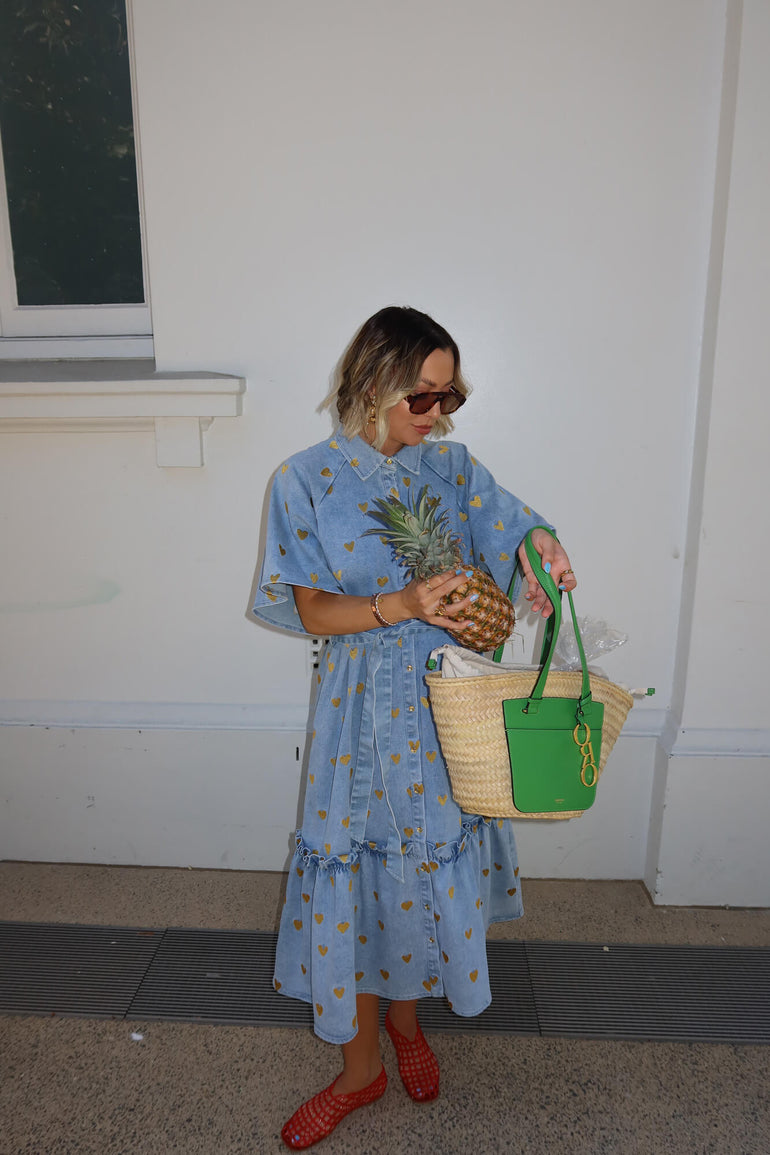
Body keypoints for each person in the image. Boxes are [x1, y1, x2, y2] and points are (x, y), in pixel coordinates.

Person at [252, 306, 576, 1149]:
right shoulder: (304, 480)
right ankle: (359, 1070)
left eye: (450, 395)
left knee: (419, 867)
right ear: (372, 384)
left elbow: (516, 526)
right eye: (423, 397)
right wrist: (397, 603)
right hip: (356, 713)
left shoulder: (453, 471)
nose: (439, 414)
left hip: (441, 709)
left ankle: (407, 1024)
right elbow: (311, 607)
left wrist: (543, 553)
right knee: (354, 876)